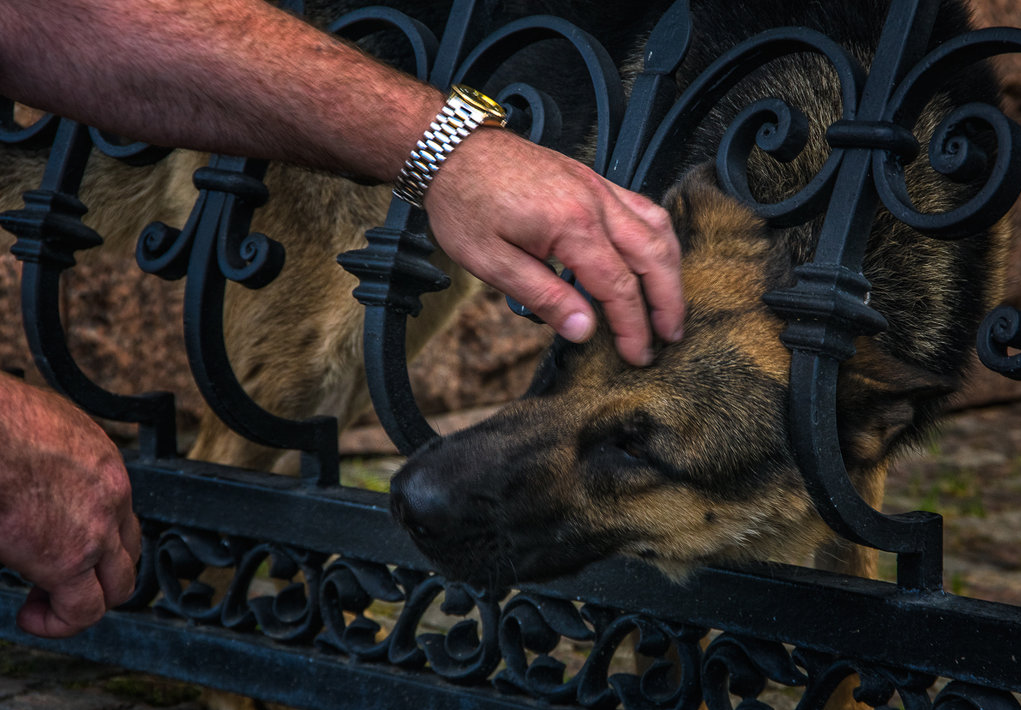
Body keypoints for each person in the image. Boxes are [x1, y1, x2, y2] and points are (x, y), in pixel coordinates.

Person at [0, 0, 684, 638]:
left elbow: (87, 27)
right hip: (376, 42)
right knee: (302, 374)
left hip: (432, 79)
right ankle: (207, 606)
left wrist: (451, 151)